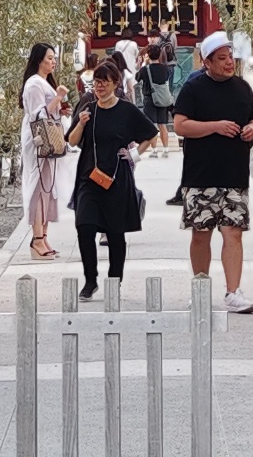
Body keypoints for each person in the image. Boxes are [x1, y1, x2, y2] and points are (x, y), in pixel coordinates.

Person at [165, 29, 253, 314]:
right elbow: (181, 126)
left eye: (230, 57)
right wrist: (215, 126)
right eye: (221, 58)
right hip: (201, 175)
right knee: (201, 232)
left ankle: (233, 292)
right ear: (206, 62)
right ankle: (200, 287)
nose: (228, 62)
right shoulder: (193, 89)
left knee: (233, 232)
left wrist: (252, 129)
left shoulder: (242, 88)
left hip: (235, 173)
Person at [67, 55, 155, 299]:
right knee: (84, 226)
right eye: (96, 82)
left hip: (116, 177)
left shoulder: (126, 110)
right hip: (88, 175)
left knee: (116, 232)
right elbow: (72, 142)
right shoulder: (88, 109)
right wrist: (81, 125)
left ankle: (114, 280)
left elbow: (151, 134)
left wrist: (134, 154)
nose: (100, 87)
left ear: (116, 82)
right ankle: (90, 279)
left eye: (104, 82)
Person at [20, 42, 71, 260]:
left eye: (54, 58)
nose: (53, 62)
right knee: (39, 187)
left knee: (48, 188)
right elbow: (38, 115)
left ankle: (44, 235)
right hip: (39, 140)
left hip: (50, 140)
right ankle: (37, 238)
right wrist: (58, 98)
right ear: (39, 60)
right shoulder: (34, 84)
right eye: (49, 58)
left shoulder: (43, 83)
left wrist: (60, 106)